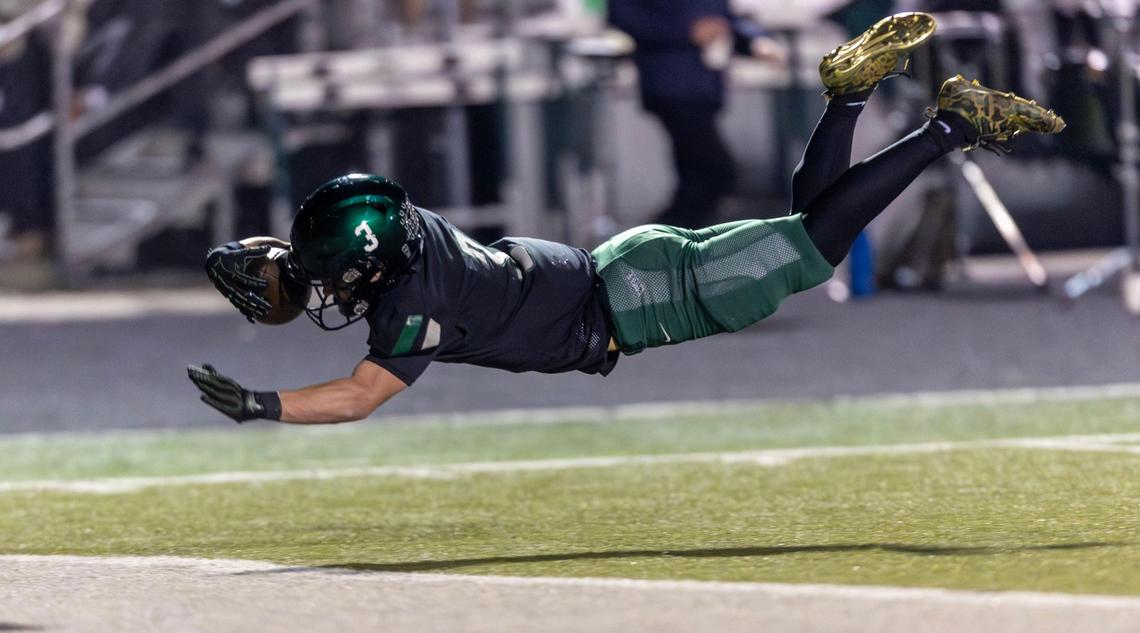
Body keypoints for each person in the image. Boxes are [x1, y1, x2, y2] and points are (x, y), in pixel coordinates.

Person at [188, 13, 1064, 425]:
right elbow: (346, 243)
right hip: (621, 266)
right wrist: (302, 268)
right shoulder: (411, 234)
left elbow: (358, 394)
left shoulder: (411, 303)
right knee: (804, 226)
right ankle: (849, 96)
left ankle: (951, 124)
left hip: (635, 305)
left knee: (813, 250)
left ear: (366, 269)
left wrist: (263, 403)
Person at [608, 0, 784, 229]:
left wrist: (755, 40)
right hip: (671, 84)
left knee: (695, 176)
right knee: (714, 171)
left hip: (704, 87)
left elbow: (724, 19)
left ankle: (672, 246)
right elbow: (624, 16)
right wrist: (686, 30)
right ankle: (658, 243)